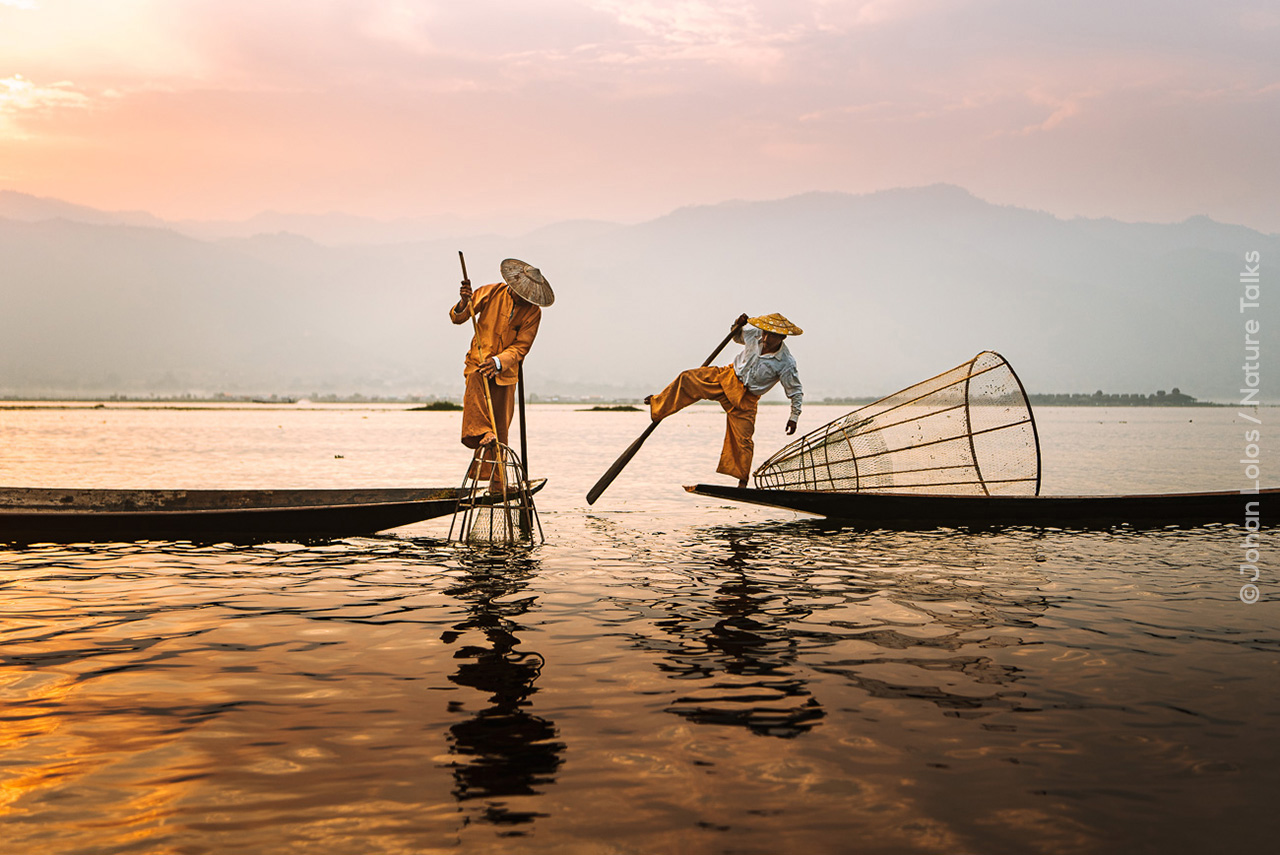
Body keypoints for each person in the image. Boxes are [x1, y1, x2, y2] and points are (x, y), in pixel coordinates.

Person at [645, 312, 803, 488]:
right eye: (765, 332)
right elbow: (736, 337)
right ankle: (657, 404)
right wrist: (738, 324)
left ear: (782, 337)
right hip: (726, 378)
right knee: (687, 378)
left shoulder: (786, 363)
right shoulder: (755, 335)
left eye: (771, 335)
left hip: (746, 399)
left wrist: (793, 417)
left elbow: (795, 391)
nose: (765, 337)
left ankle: (742, 482)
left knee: (743, 440)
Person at [450, 259, 554, 482]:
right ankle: (480, 432)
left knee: (500, 432)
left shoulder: (532, 312)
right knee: (477, 381)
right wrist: (463, 301)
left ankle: (498, 484)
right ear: (513, 284)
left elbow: (521, 347)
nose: (522, 298)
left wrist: (498, 362)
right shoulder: (491, 292)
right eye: (520, 293)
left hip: (505, 373)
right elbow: (460, 316)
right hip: (479, 361)